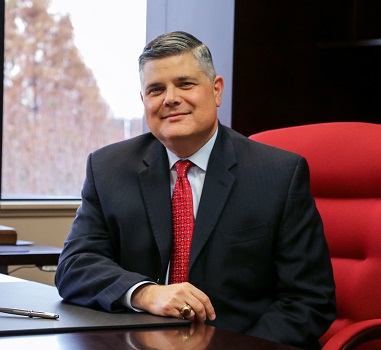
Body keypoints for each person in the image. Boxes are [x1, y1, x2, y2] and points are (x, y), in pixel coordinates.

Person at [54, 31, 336, 349]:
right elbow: (74, 265)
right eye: (156, 90)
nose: (170, 98)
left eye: (185, 84)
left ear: (216, 91)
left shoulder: (278, 174)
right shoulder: (108, 168)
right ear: (143, 101)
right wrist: (145, 292)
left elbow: (309, 301)